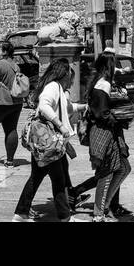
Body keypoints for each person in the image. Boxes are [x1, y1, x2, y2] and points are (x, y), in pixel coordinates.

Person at [12, 58, 86, 222]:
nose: (72, 81)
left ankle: (21, 213)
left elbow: (65, 108)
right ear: (64, 74)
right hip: (49, 142)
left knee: (40, 178)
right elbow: (45, 106)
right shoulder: (53, 87)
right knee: (58, 181)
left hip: (46, 142)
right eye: (70, 76)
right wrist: (61, 125)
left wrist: (82, 107)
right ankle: (64, 217)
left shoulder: (57, 88)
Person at [84, 52, 134, 221]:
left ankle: (105, 206)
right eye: (114, 65)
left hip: (109, 132)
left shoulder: (98, 82)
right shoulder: (103, 85)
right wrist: (120, 118)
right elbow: (103, 113)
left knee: (122, 168)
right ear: (108, 67)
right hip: (104, 133)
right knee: (106, 173)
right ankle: (99, 213)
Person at [0, 41, 24, 168]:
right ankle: (10, 161)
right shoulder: (15, 65)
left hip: (1, 102)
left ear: (4, 52)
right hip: (16, 102)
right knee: (11, 129)